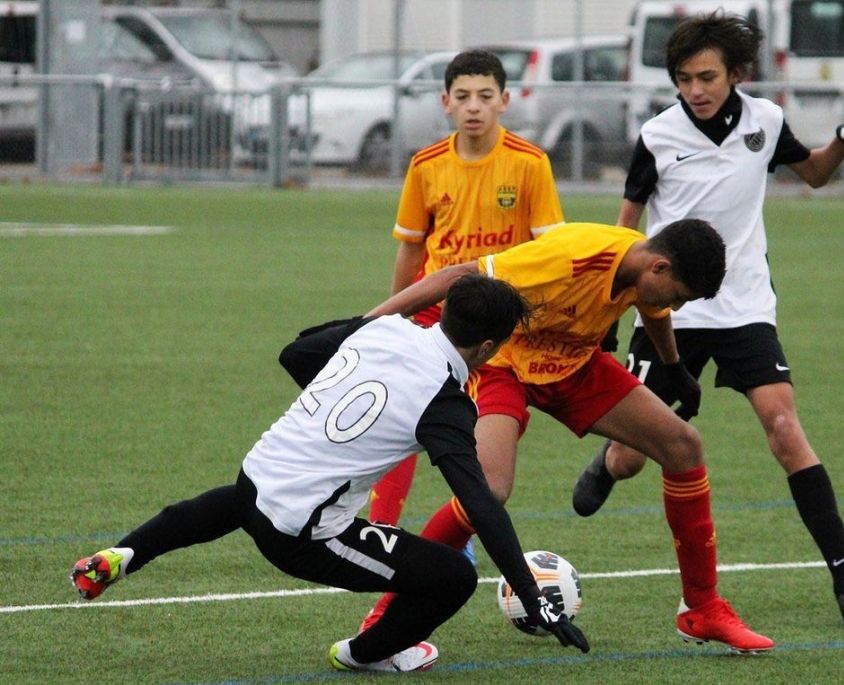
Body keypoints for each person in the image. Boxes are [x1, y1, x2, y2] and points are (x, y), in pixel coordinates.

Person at [71, 274, 589, 672]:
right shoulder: (447, 402)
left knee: (235, 501)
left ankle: (125, 553)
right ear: (488, 349)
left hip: (256, 475)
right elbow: (480, 503)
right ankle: (363, 655)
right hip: (301, 536)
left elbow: (295, 352)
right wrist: (530, 595)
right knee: (453, 576)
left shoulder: (388, 327)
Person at [322, 218, 776, 654]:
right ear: (660, 267)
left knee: (683, 446)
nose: (674, 308)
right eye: (679, 297)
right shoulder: (569, 258)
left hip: (573, 363)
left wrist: (673, 367)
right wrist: (365, 324)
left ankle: (701, 608)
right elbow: (459, 277)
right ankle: (384, 614)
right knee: (490, 489)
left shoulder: (644, 268)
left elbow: (653, 309)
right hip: (507, 364)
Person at [570, 11, 844, 628]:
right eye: (685, 78)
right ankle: (609, 463)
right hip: (671, 308)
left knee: (785, 428)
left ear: (736, 73)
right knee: (638, 455)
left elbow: (815, 174)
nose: (697, 89)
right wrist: (611, 299)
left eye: (708, 76)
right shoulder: (658, 135)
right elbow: (624, 227)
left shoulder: (765, 122)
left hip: (744, 305)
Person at [369, 49, 565, 544]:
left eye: (484, 96)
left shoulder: (529, 163)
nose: (473, 106)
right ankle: (380, 529)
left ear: (505, 100)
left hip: (502, 320)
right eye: (463, 97)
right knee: (402, 411)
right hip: (440, 314)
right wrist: (396, 317)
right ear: (446, 103)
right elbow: (412, 250)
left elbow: (552, 252)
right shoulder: (427, 165)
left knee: (483, 431)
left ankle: (460, 532)